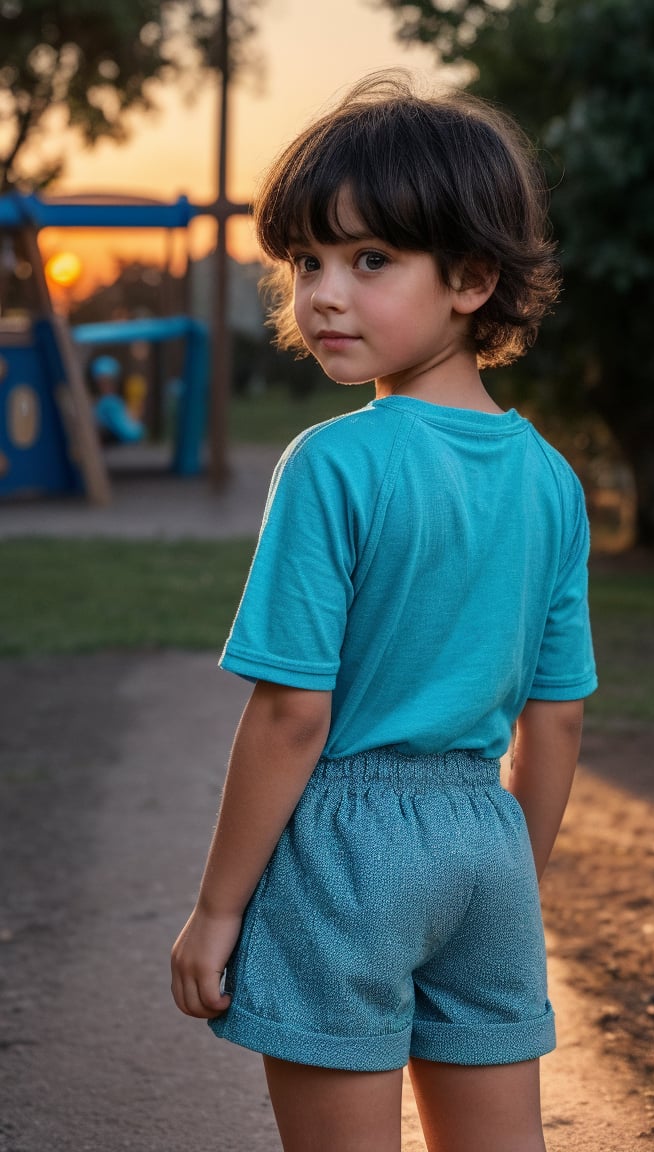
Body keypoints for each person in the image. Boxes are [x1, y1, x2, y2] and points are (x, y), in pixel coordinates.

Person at [171, 70, 597, 1152]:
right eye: (305, 262)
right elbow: (555, 719)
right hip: (490, 848)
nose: (321, 294)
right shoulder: (550, 478)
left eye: (369, 260)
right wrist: (512, 878)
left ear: (470, 278)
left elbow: (290, 718)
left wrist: (218, 910)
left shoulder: (332, 464)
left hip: (347, 854)